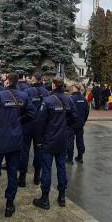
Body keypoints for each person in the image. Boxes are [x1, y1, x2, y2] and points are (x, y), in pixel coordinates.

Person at [0, 73, 35, 221]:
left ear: (8, 81)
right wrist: (19, 122)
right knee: (12, 174)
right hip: (15, 140)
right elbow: (32, 113)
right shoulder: (23, 95)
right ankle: (9, 205)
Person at [33, 76, 77, 210]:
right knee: (61, 167)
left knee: (46, 168)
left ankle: (45, 198)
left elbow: (39, 122)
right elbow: (74, 117)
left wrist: (38, 140)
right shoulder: (68, 99)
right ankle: (62, 196)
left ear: (53, 85)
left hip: (49, 140)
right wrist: (64, 126)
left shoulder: (48, 101)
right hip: (62, 140)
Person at [18, 72, 48, 185]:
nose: (30, 79)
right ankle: (36, 177)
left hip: (27, 124)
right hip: (40, 126)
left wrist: (22, 119)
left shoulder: (27, 92)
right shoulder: (46, 92)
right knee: (39, 150)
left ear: (34, 79)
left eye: (31, 78)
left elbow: (22, 108)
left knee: (24, 150)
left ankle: (22, 178)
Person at [67, 84, 90, 164]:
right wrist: (83, 121)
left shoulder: (70, 99)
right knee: (80, 140)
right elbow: (87, 112)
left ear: (74, 89)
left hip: (71, 124)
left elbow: (67, 111)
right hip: (80, 124)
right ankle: (80, 157)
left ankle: (69, 159)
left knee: (70, 141)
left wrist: (68, 121)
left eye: (72, 88)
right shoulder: (84, 99)